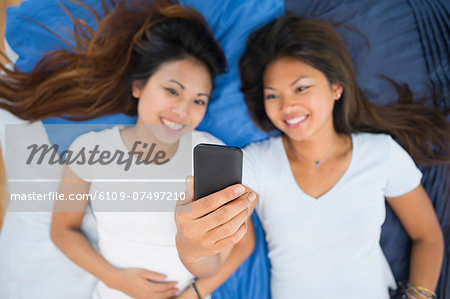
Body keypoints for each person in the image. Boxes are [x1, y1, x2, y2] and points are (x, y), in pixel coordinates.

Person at [174, 15, 449, 299]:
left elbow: (427, 237)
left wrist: (419, 296)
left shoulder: (381, 153)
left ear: (336, 88)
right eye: (272, 95)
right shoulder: (257, 163)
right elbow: (214, 260)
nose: (288, 106)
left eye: (301, 88)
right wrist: (190, 247)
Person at [0, 1, 256, 298]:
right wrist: (115, 279)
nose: (182, 111)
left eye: (199, 100)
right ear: (138, 87)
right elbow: (62, 231)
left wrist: (194, 294)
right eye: (172, 90)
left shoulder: (210, 152)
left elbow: (243, 244)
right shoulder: (91, 149)